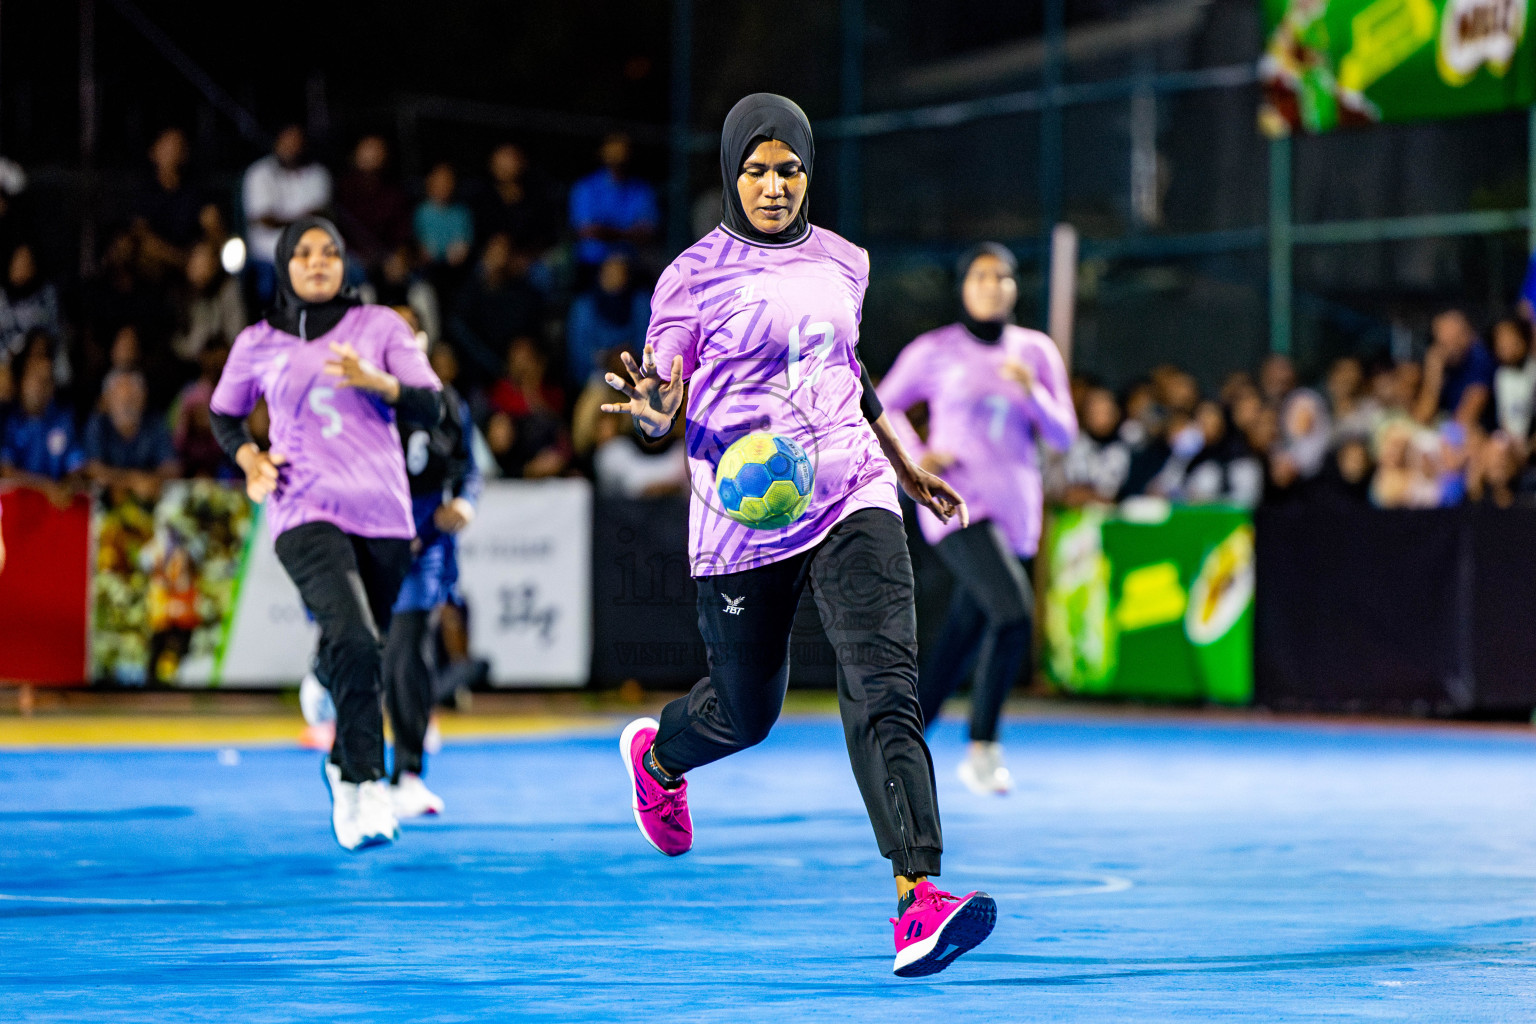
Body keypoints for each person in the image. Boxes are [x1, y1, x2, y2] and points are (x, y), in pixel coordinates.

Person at [602, 93, 995, 978]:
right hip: (743, 526)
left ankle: (917, 898)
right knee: (747, 714)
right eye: (756, 170)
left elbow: (848, 377)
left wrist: (902, 465)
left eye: (788, 169)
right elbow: (662, 389)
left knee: (884, 687)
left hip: (853, 491)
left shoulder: (845, 261)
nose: (774, 185)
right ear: (731, 176)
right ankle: (661, 757)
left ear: (808, 172)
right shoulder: (692, 276)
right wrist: (658, 410)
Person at [209, 216, 442, 851]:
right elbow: (224, 415)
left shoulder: (381, 328)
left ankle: (341, 756)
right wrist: (250, 459)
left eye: (330, 253)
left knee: (358, 648)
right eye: (304, 253)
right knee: (359, 641)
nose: (318, 263)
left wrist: (380, 383)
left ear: (345, 265)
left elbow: (433, 404)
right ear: (284, 265)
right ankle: (362, 784)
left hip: (387, 518)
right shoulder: (256, 342)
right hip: (302, 507)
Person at [877, 242, 1076, 795]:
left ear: (1014, 287)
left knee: (964, 633)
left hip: (1015, 510)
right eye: (980, 276)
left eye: (1002, 276)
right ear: (964, 286)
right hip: (956, 504)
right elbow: (881, 402)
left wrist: (1032, 392)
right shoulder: (936, 349)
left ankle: (899, 749)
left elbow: (1064, 435)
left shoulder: (1035, 352)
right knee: (1012, 614)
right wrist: (914, 452)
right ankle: (983, 748)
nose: (992, 285)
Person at [382, 339, 482, 820]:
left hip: (425, 546)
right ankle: (325, 696)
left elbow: (469, 469)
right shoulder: (364, 398)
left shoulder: (446, 403)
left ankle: (406, 772)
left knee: (408, 647)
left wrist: (464, 502)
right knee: (357, 648)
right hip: (371, 539)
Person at [242, 126, 333, 304]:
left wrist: (281, 219)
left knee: (348, 274)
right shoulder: (259, 172)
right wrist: (302, 218)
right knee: (266, 289)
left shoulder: (318, 174)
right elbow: (265, 219)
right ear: (277, 142)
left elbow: (319, 214)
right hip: (267, 256)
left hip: (313, 255)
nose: (292, 147)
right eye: (287, 141)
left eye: (297, 142)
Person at [569, 133, 658, 287]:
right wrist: (626, 234)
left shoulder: (641, 190)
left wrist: (606, 232)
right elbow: (587, 231)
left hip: (632, 262)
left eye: (622, 154)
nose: (618, 159)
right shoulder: (586, 187)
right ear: (602, 153)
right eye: (613, 154)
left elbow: (647, 233)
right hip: (592, 263)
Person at [0, 352, 84, 507]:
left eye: (45, 381)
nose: (39, 387)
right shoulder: (10, 420)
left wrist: (69, 485)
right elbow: (6, 470)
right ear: (22, 382)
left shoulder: (63, 420)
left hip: (56, 512)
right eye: (34, 379)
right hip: (16, 511)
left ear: (52, 387)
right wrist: (44, 485)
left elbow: (77, 467)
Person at [83, 370, 180, 503]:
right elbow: (92, 470)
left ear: (144, 397)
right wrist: (133, 481)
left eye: (133, 397)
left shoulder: (156, 423)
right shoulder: (98, 424)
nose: (126, 404)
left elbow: (172, 469)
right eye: (120, 398)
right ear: (107, 399)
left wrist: (151, 481)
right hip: (106, 507)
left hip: (151, 502)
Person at [565, 253, 649, 389]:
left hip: (637, 374)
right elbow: (579, 350)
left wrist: (628, 358)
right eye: (608, 273)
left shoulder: (641, 301)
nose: (614, 278)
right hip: (594, 377)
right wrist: (607, 359)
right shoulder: (585, 305)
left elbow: (648, 341)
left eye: (619, 272)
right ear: (600, 275)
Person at [1414, 309, 1494, 430]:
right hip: (1450, 431)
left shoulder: (1480, 358)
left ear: (1467, 335)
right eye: (1441, 342)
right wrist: (1433, 373)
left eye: (1452, 339)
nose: (1447, 349)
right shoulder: (1442, 363)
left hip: (1481, 435)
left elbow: (1465, 420)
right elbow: (1422, 416)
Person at [1491, 317, 1536, 442]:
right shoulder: (1501, 375)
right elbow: (1503, 419)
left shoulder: (1532, 370)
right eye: (1500, 340)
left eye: (1511, 338)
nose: (1505, 345)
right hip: (1511, 443)